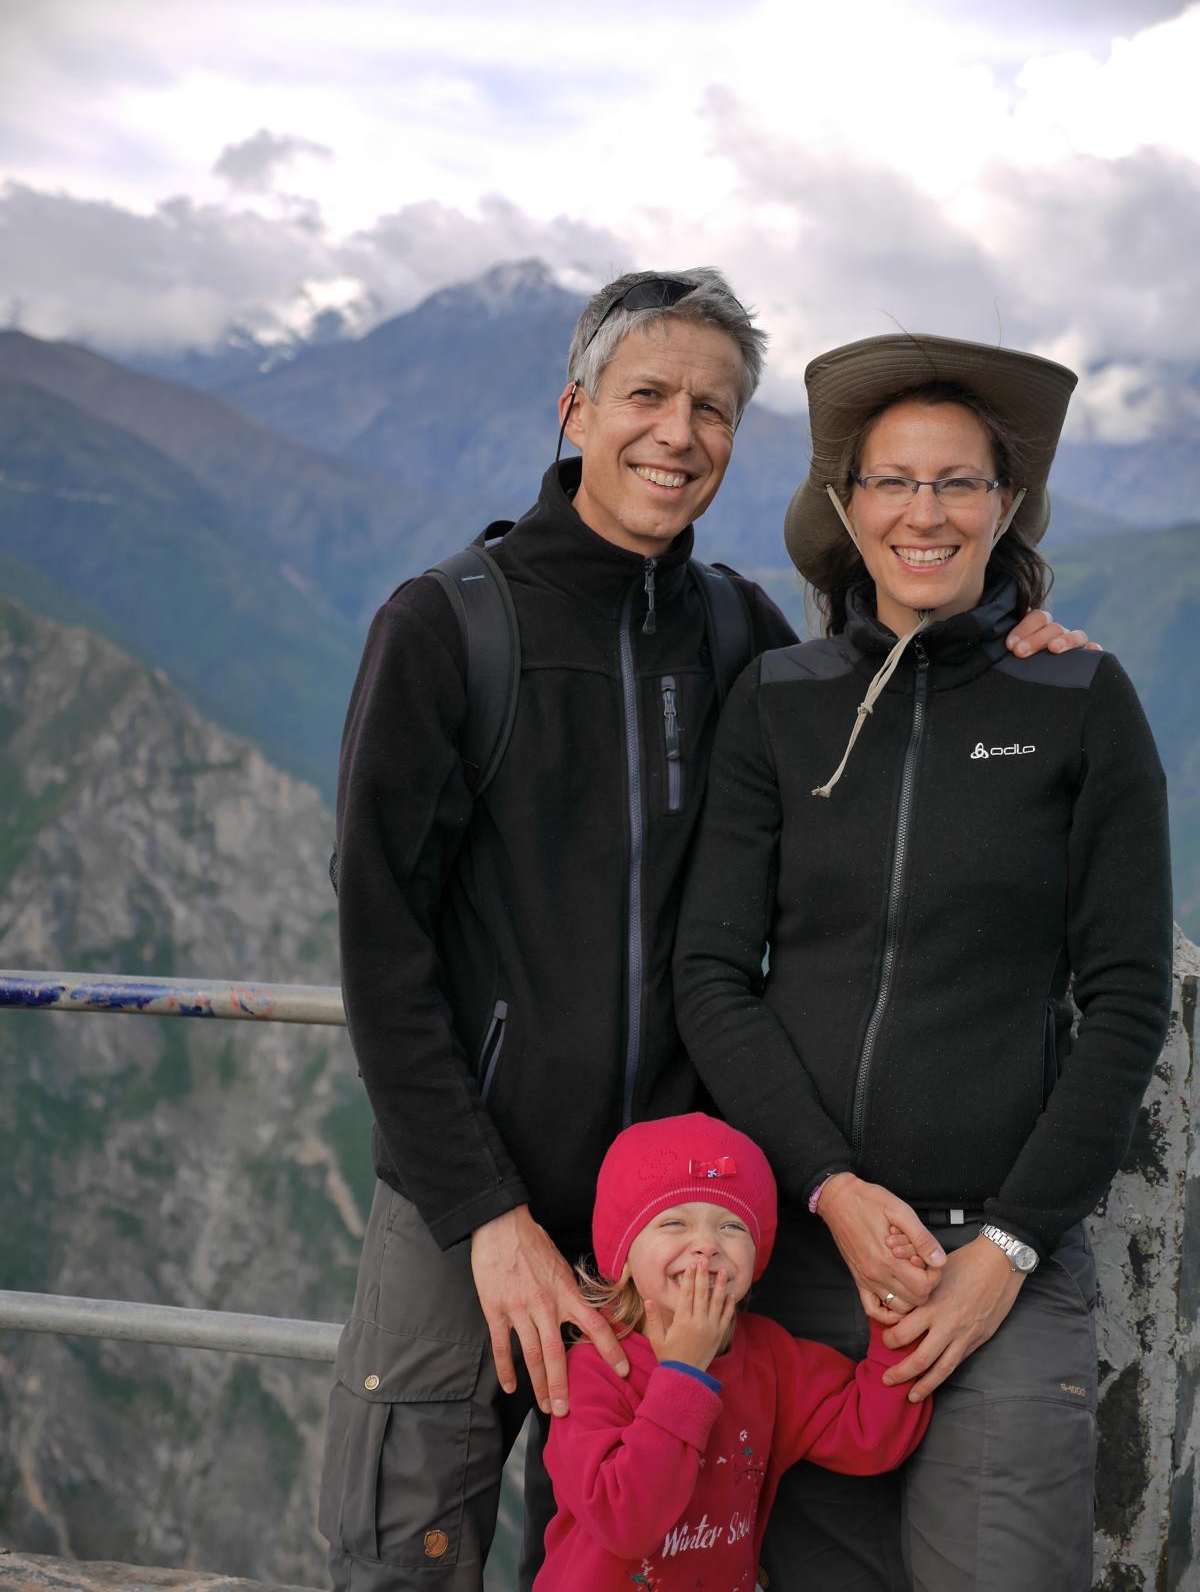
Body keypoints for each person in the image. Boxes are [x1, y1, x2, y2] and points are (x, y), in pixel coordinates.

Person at [319, 279, 1094, 1592]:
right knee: (415, 1544)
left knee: (650, 1552)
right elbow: (379, 943)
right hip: (473, 1195)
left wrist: (1006, 645)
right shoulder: (449, 626)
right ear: (576, 411)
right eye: (647, 396)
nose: (678, 433)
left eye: (713, 409)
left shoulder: (741, 629)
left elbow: (877, 740)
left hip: (681, 1212)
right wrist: (486, 1211)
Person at [673, 332, 1174, 1592]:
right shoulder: (779, 699)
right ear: (847, 506)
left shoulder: (1079, 700)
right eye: (894, 480)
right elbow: (713, 974)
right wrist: (832, 1187)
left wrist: (1005, 1245)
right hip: (799, 1262)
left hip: (995, 1270)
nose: (926, 512)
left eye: (960, 483)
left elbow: (1125, 1001)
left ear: (1007, 508)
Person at [537, 1113, 930, 1590]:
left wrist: (897, 1312)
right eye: (674, 1221)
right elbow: (626, 1524)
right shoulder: (594, 1368)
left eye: (731, 1227)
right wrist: (684, 1373)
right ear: (624, 1253)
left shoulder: (769, 1357)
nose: (705, 1245)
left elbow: (870, 1437)